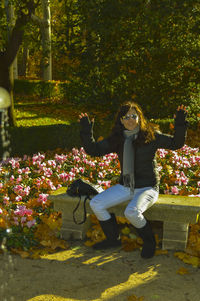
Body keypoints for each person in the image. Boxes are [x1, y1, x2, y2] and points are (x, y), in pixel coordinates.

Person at [78, 101, 188, 258]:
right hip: (126, 186)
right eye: (126, 117)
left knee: (132, 212)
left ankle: (150, 242)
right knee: (96, 203)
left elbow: (176, 143)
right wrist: (86, 131)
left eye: (133, 116)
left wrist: (180, 123)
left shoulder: (151, 136)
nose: (130, 120)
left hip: (147, 188)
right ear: (121, 120)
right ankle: (113, 239)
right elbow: (94, 150)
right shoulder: (118, 139)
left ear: (139, 117)